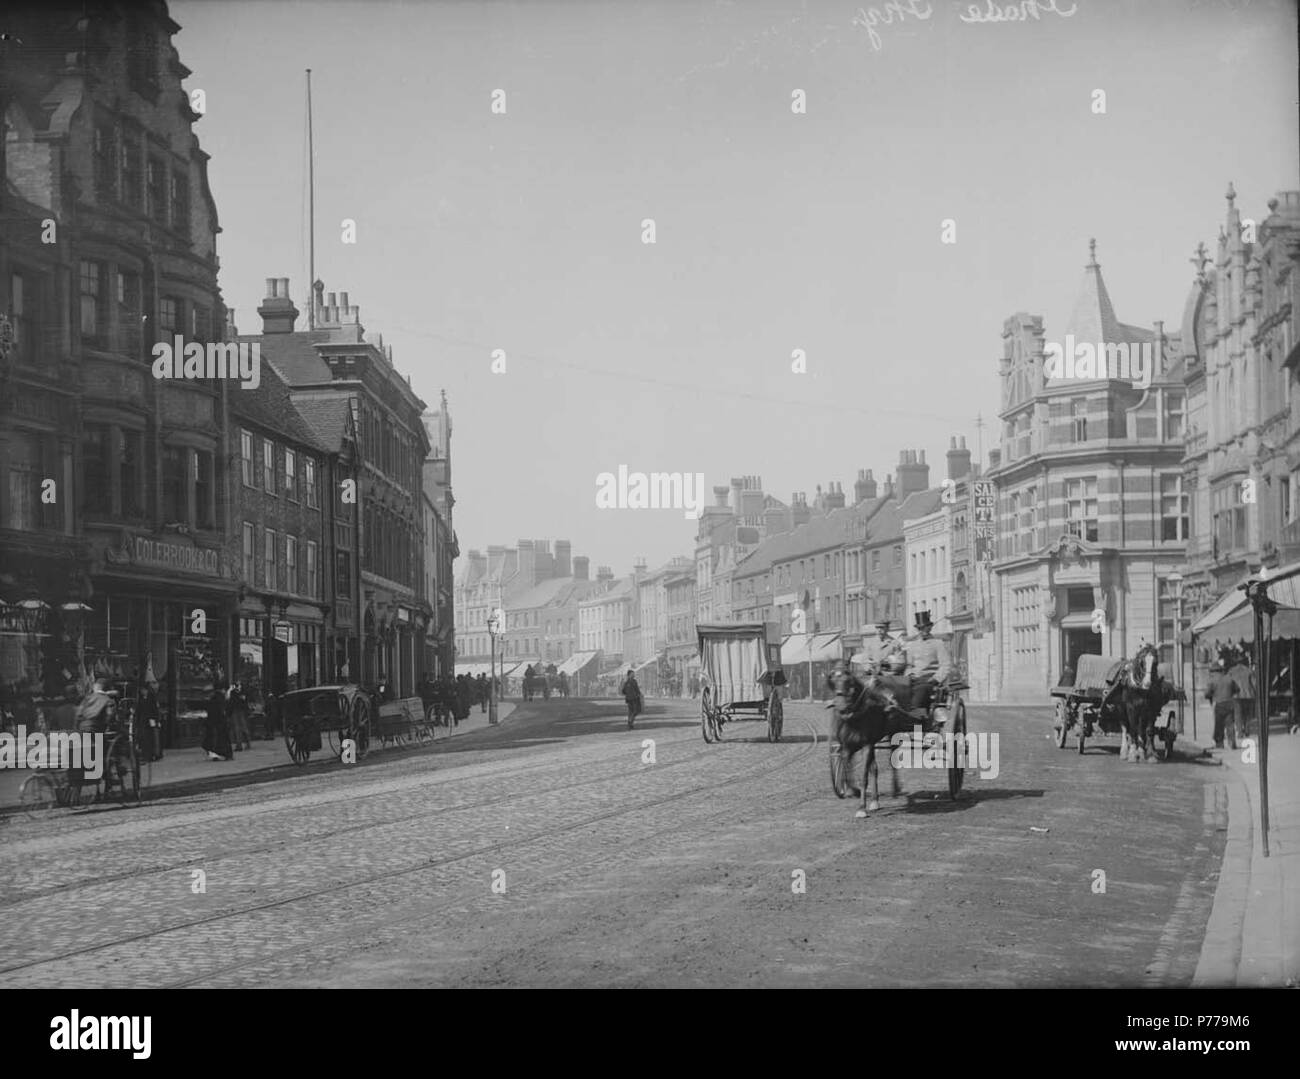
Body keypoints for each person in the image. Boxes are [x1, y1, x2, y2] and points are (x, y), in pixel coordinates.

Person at [1205, 655, 1239, 750]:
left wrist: (1211, 696)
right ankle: (1232, 742)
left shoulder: (1212, 680)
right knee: (1230, 724)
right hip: (1229, 703)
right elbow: (1237, 689)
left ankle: (1219, 743)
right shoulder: (1229, 678)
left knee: (1219, 725)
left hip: (1219, 704)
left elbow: (1207, 694)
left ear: (1213, 671)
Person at [203, 680, 233, 761]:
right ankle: (226, 754)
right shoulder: (221, 698)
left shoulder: (213, 697)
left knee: (215, 740)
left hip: (213, 722)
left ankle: (215, 754)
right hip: (220, 722)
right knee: (223, 739)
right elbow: (223, 710)